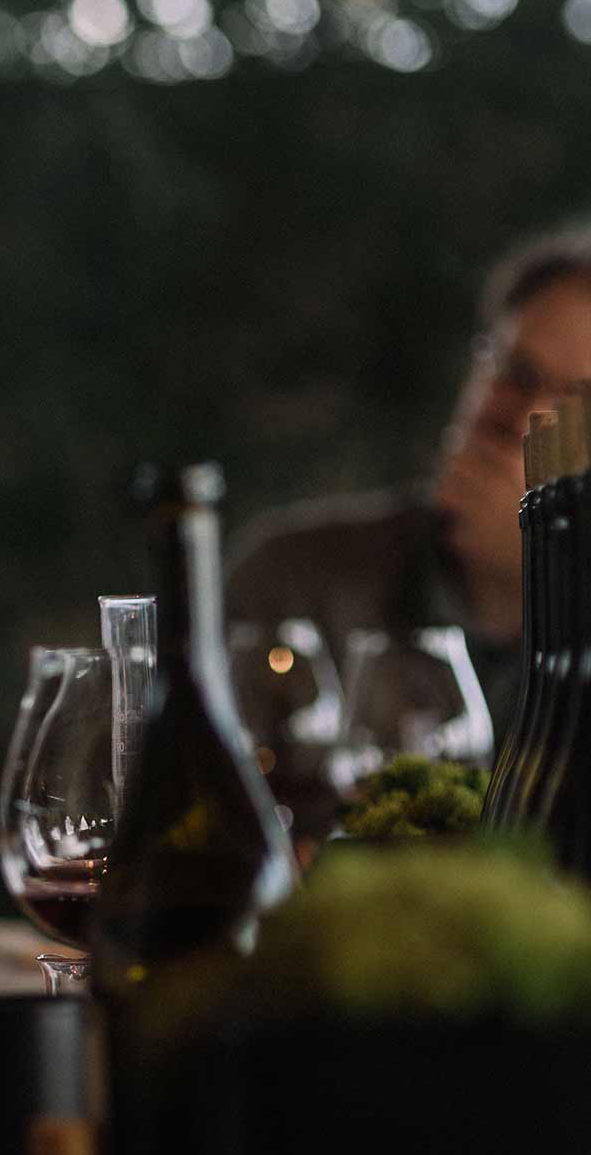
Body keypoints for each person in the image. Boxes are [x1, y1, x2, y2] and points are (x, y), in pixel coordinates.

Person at [227, 227, 591, 791]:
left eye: (580, 407)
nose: (525, 421)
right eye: (517, 374)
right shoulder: (291, 580)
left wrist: (548, 564)